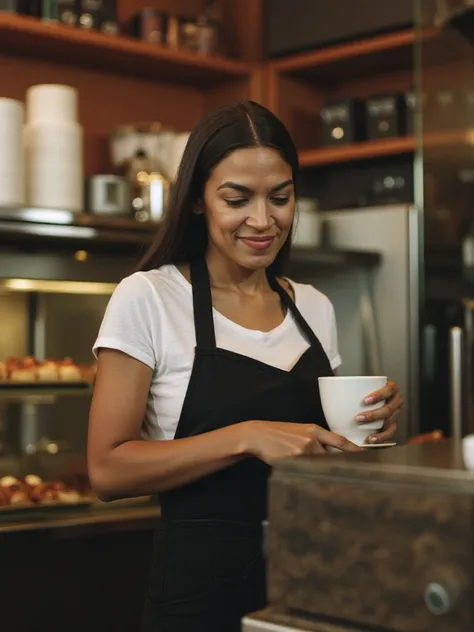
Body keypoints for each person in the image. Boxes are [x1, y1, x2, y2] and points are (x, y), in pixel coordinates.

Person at [87, 100, 404, 631]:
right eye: (237, 199)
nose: (263, 220)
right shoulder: (148, 297)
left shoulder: (313, 307)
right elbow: (107, 470)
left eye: (280, 197)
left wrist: (367, 427)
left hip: (316, 578)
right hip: (199, 598)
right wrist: (246, 436)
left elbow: (321, 458)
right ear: (196, 201)